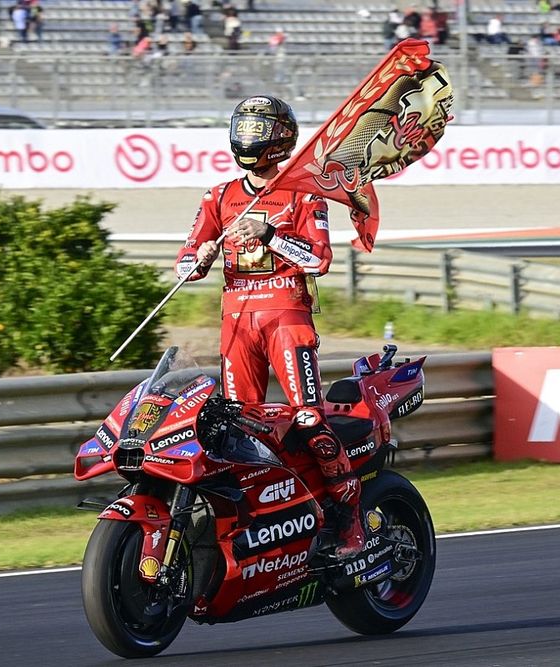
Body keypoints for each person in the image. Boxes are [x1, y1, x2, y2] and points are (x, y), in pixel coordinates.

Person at [173, 95, 366, 559]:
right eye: (243, 127)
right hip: (235, 322)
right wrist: (196, 261)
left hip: (286, 317)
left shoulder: (305, 193)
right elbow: (183, 261)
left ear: (280, 139)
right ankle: (265, 523)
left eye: (257, 130)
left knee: (306, 417)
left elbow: (319, 260)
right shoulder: (218, 196)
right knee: (238, 426)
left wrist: (271, 236)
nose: (247, 138)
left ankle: (349, 518)